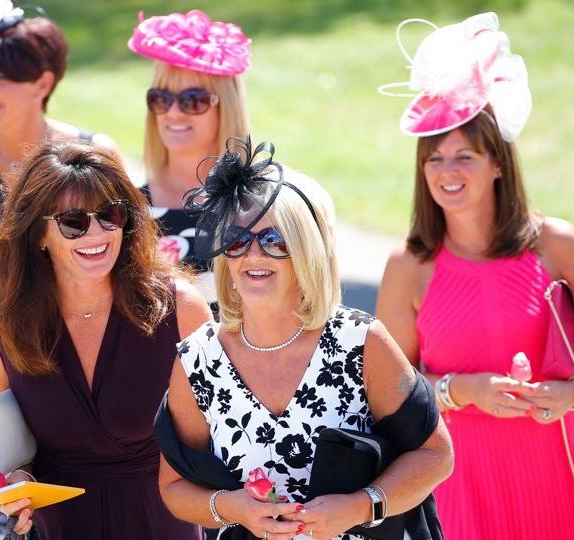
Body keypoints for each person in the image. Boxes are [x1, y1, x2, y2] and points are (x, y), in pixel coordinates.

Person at [375, 12, 574, 539]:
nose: (447, 172)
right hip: (454, 476)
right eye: (435, 159)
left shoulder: (555, 242)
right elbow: (385, 391)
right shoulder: (409, 265)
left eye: (465, 156)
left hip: (553, 467)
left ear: (498, 164)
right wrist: (459, 390)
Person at [158, 136, 453, 540]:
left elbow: (436, 455)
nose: (254, 255)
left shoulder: (358, 341)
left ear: (305, 253)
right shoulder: (198, 359)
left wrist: (360, 506)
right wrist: (233, 507)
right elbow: (174, 488)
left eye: (275, 240)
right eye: (238, 240)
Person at [0, 2, 121, 536]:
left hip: (87, 352)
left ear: (43, 81)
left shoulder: (94, 153)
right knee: (7, 511)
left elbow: (125, 245)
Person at [0, 141, 211, 539]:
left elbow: (218, 438)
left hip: (161, 522)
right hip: (60, 527)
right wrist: (14, 481)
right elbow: (3, 445)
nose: (96, 233)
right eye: (73, 222)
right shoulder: (1, 329)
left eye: (109, 215)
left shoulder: (180, 310)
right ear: (39, 236)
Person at [127, 9, 250, 305]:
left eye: (192, 100)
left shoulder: (263, 203)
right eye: (161, 98)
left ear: (226, 107)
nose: (173, 112)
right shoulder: (127, 208)